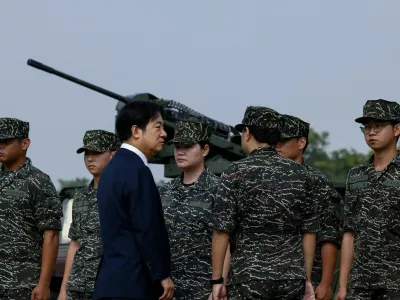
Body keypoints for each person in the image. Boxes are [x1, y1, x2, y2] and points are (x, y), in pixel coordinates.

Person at [209, 106, 318, 300]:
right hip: (291, 279)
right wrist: (307, 279)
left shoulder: (234, 172)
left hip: (248, 278)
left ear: (248, 133)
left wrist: (217, 281)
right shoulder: (302, 174)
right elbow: (309, 231)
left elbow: (221, 231)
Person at [93, 100, 174, 300]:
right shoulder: (137, 171)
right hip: (133, 284)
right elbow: (147, 228)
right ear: (136, 131)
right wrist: (162, 274)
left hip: (110, 282)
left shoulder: (111, 170)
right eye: (158, 126)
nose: (164, 133)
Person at [336, 99, 400, 300]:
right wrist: (343, 286)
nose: (371, 132)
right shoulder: (356, 175)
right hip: (361, 284)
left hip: (395, 282)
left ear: (397, 129)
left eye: (378, 126)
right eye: (367, 127)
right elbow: (349, 233)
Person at [159, 119, 230, 300]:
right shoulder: (164, 192)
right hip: (168, 290)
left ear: (205, 150)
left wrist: (220, 283)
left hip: (204, 289)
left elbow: (226, 242)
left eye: (188, 146)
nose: (180, 152)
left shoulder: (219, 190)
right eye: (177, 147)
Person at [276, 114, 342, 300]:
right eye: (274, 141)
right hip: (270, 278)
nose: (277, 146)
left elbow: (329, 235)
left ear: (301, 142)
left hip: (307, 281)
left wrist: (326, 284)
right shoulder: (265, 180)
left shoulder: (316, 181)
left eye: (283, 140)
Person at [0, 117, 63, 299]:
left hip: (24, 283)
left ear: (25, 143)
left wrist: (44, 284)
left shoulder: (39, 182)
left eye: (6, 142)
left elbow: (51, 235)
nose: (0, 146)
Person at [57, 129, 121, 300]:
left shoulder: (124, 194)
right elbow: (74, 244)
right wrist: (64, 289)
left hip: (112, 285)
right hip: (79, 286)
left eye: (97, 153)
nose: (90, 158)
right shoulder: (80, 197)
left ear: (113, 155)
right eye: (87, 154)